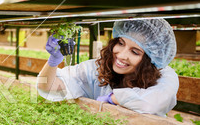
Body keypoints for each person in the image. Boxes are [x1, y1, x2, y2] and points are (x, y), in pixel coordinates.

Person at [37, 18, 179, 117]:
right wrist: (53, 61)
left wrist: (112, 98)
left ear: (150, 59)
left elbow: (151, 104)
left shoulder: (165, 76)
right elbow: (47, 87)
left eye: (135, 52)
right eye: (121, 43)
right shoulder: (97, 68)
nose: (122, 55)